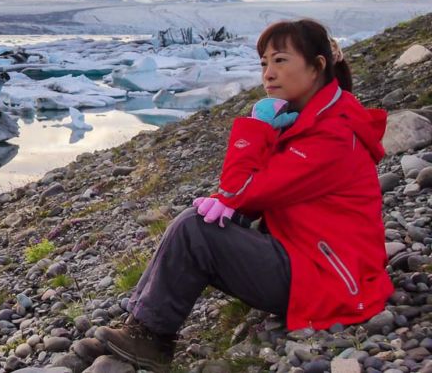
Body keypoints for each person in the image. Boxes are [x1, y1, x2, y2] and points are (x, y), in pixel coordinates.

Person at [96, 19, 394, 371]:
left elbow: (240, 190)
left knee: (196, 229)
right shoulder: (312, 120)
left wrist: (257, 129)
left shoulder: (332, 135)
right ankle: (140, 327)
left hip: (329, 281)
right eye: (264, 63)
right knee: (204, 218)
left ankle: (151, 340)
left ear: (317, 66)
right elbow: (244, 198)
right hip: (313, 260)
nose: (268, 73)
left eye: (280, 60)